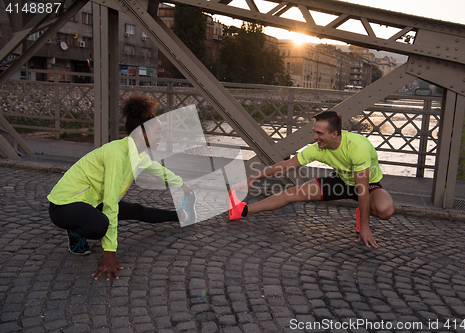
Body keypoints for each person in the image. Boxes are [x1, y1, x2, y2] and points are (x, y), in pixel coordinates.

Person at [47, 94, 196, 281]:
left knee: (137, 210)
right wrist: (110, 250)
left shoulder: (138, 155)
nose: (160, 136)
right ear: (142, 133)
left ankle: (182, 215)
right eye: (158, 131)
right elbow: (110, 202)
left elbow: (159, 171)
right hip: (63, 206)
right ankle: (75, 233)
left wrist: (182, 185)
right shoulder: (116, 153)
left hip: (91, 202)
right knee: (100, 224)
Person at [228, 110, 394, 248]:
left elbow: (362, 190)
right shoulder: (318, 148)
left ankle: (362, 213)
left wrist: (365, 226)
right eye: (314, 132)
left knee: (385, 210)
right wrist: (252, 179)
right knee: (291, 193)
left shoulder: (357, 147)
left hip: (368, 185)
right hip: (342, 182)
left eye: (319, 133)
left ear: (334, 133)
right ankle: (241, 210)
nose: (315, 137)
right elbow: (285, 166)